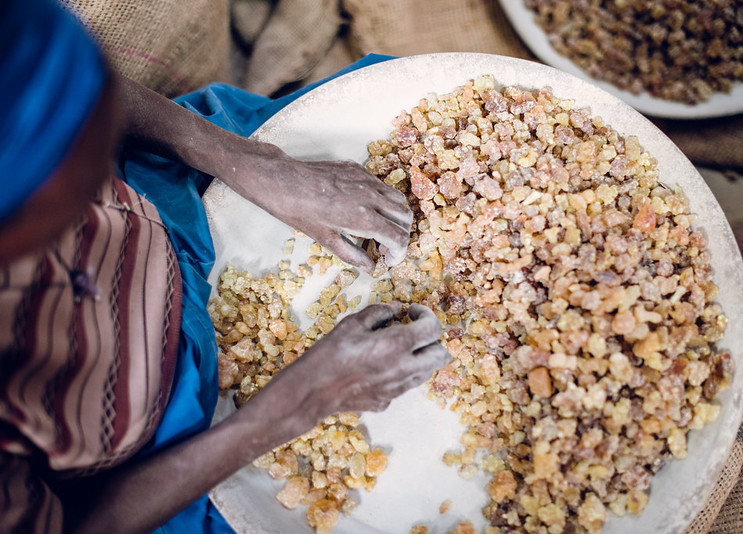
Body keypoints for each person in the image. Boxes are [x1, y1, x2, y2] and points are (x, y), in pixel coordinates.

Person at [0, 1, 449, 533]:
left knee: (392, 98)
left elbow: (87, 89)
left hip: (164, 200)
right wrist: (298, 406)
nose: (98, 154)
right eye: (80, 169)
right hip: (165, 457)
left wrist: (247, 160)